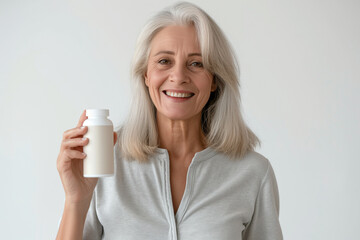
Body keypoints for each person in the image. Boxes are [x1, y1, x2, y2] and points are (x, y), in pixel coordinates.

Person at [56, 2, 283, 240]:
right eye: (164, 61)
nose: (178, 77)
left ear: (215, 79)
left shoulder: (252, 173)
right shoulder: (102, 163)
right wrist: (76, 200)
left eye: (196, 63)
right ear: (146, 74)